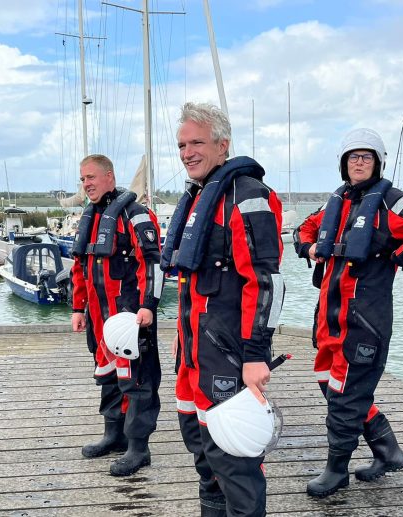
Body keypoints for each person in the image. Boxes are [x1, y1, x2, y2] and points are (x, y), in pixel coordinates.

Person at [303, 128, 403, 498]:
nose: (359, 162)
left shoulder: (392, 201)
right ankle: (388, 451)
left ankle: (336, 471)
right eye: (353, 157)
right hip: (329, 314)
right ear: (344, 163)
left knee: (346, 392)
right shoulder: (336, 201)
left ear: (378, 162)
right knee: (330, 381)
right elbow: (305, 228)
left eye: (366, 157)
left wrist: (400, 257)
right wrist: (309, 247)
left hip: (365, 317)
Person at [162, 102, 284, 517]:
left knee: (236, 465)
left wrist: (255, 356)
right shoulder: (199, 197)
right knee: (206, 461)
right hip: (192, 359)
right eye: (181, 144)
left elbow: (266, 282)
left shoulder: (247, 196)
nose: (187, 152)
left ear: (222, 144)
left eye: (197, 142)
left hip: (228, 358)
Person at [70, 154, 164, 477]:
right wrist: (77, 308)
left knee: (137, 381)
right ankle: (114, 435)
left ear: (109, 176)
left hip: (129, 318)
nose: (87, 184)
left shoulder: (135, 215)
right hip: (98, 319)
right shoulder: (90, 218)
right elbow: (79, 268)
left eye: (91, 177)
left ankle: (139, 447)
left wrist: (148, 305)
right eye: (83, 179)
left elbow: (152, 262)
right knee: (108, 376)